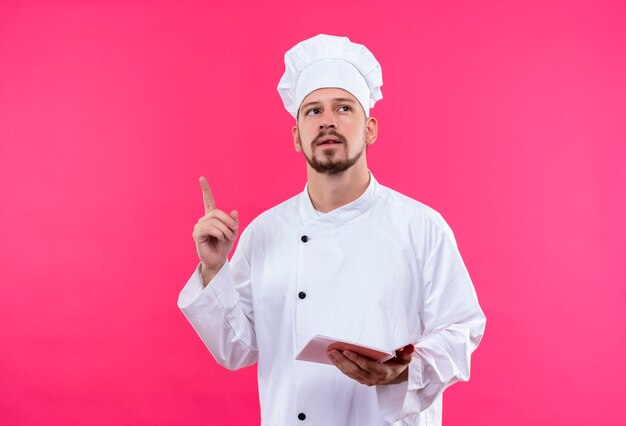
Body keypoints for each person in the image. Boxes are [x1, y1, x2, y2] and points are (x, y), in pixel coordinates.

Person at [177, 34, 486, 426]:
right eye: (312, 111)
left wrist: (405, 371)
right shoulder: (264, 234)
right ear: (296, 136)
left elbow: (461, 330)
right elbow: (235, 348)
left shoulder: (421, 228)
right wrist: (213, 270)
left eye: (343, 108)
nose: (327, 120)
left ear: (370, 128)